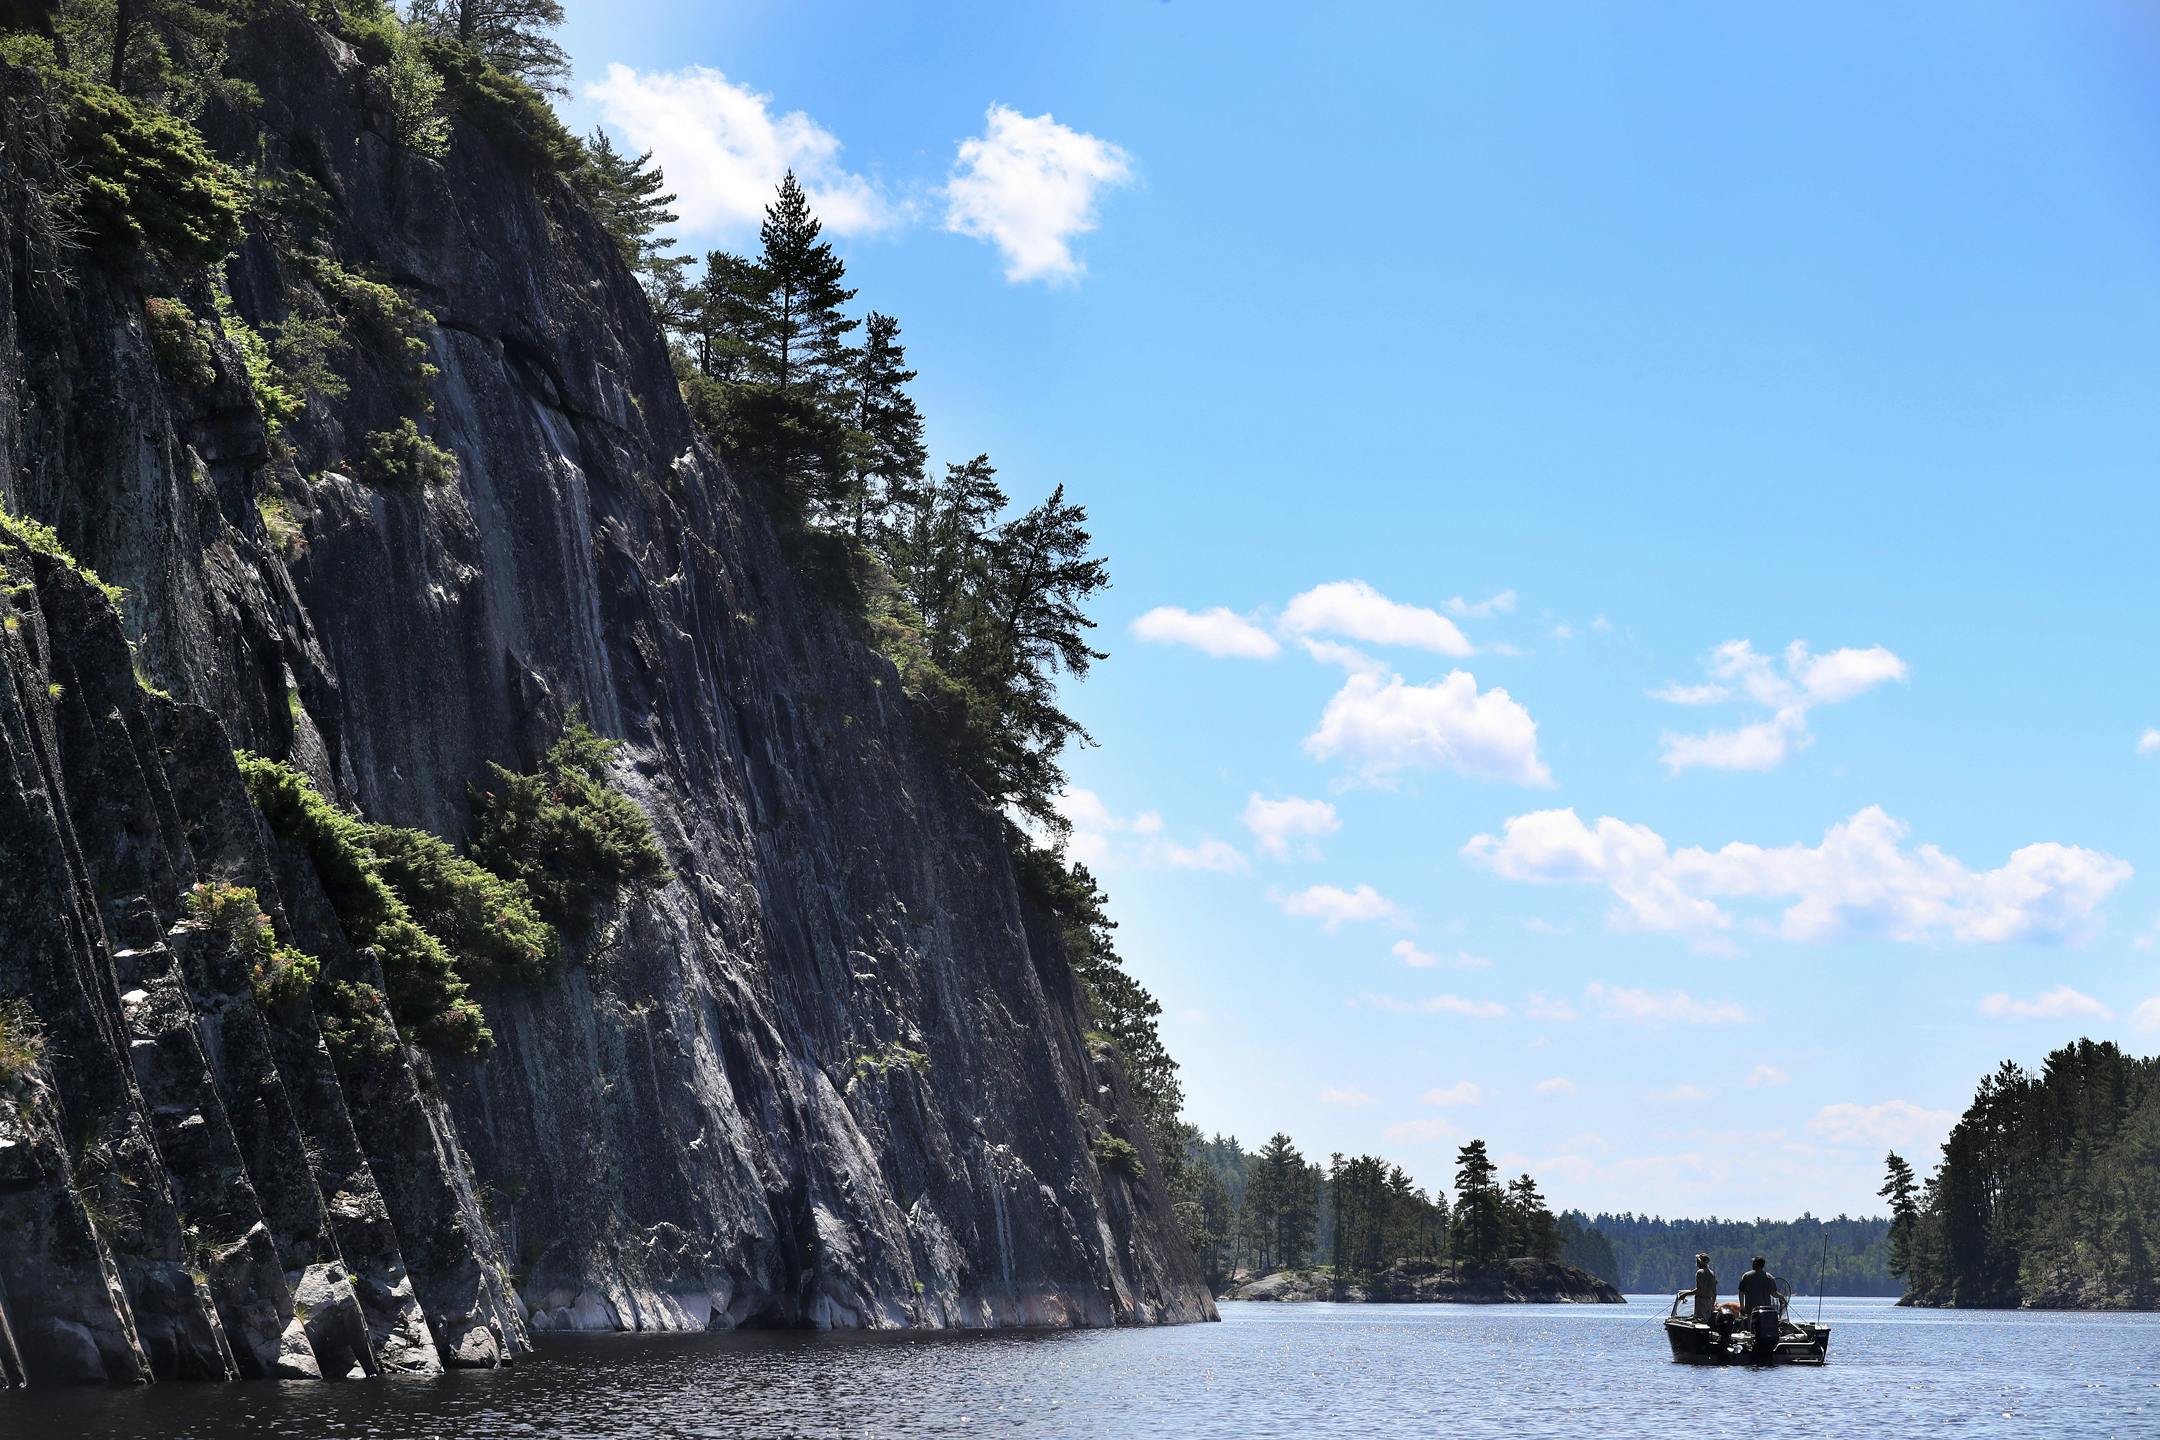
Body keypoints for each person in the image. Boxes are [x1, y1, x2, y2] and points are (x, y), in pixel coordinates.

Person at [1680, 1252, 1717, 1324]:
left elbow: (1699, 1289)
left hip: (1701, 1301)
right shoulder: (1711, 1273)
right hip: (1709, 1301)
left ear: (1700, 1262)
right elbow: (1714, 1292)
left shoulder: (1700, 1272)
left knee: (1700, 1322)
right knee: (1706, 1323)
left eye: (1697, 1261)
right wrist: (1712, 1304)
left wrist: (1685, 1294)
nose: (1696, 1263)